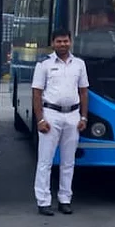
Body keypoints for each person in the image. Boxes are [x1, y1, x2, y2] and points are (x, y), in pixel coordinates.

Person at [31, 29, 89, 216]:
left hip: (72, 116)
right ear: (53, 43)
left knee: (68, 162)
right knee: (45, 161)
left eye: (65, 41)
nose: (63, 44)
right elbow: (37, 94)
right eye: (59, 41)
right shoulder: (44, 65)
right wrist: (40, 119)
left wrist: (83, 117)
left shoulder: (79, 64)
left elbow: (83, 92)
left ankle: (65, 199)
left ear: (70, 42)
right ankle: (43, 201)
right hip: (51, 115)